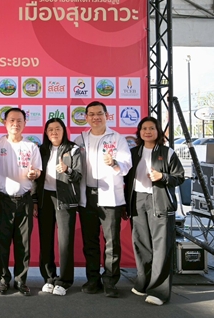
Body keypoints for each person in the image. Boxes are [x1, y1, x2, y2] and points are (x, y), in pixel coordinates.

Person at [124, 117, 184, 306]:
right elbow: (125, 178)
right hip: (138, 201)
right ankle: (144, 283)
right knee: (141, 244)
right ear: (139, 132)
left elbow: (179, 177)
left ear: (158, 131)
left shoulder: (167, 152)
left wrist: (162, 176)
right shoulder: (133, 152)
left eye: (151, 128)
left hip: (160, 201)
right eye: (144, 128)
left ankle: (159, 291)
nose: (147, 131)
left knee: (161, 247)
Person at [74, 101, 132, 298]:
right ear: (86, 117)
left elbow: (127, 165)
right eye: (91, 114)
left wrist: (114, 162)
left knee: (111, 243)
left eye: (99, 113)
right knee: (90, 242)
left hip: (110, 198)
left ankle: (110, 281)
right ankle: (93, 279)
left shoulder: (117, 138)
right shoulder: (80, 139)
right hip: (87, 197)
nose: (95, 117)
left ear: (107, 116)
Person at [0, 108, 41, 296]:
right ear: (5, 123)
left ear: (25, 123)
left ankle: (21, 280)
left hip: (25, 200)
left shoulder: (31, 146)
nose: (15, 124)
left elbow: (38, 171)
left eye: (19, 120)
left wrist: (35, 174)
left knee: (23, 244)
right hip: (2, 200)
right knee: (2, 243)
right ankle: (3, 280)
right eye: (11, 120)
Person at [35, 118, 82, 296]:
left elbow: (78, 175)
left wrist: (67, 170)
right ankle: (49, 278)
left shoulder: (73, 149)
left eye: (57, 129)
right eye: (50, 129)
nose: (54, 132)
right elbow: (36, 178)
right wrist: (34, 200)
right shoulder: (41, 150)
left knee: (65, 242)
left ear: (64, 131)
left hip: (65, 199)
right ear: (46, 133)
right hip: (45, 199)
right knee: (45, 240)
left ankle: (64, 280)